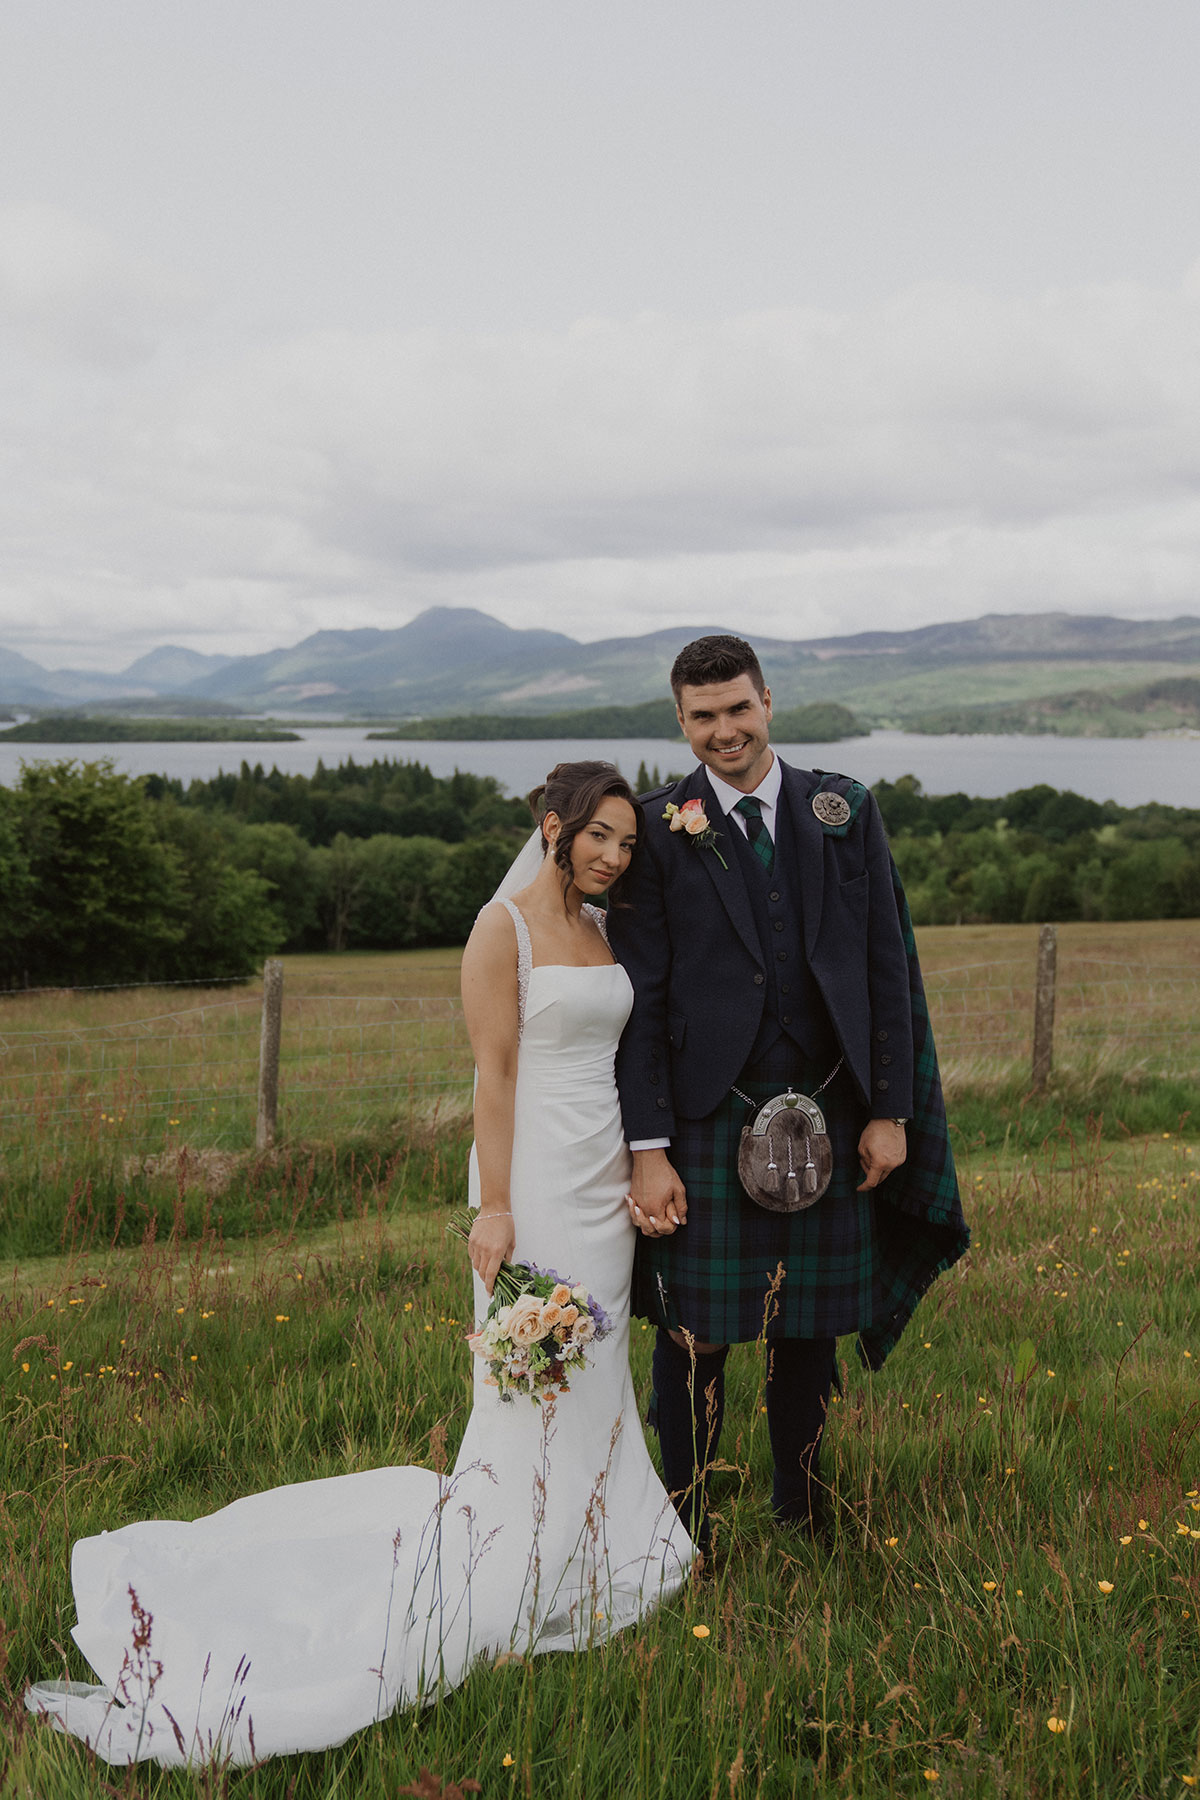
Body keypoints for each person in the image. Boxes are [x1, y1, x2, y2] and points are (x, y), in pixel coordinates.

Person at [26, 761, 692, 1768]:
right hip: (537, 1177)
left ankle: (602, 1539)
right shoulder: (498, 929)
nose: (611, 854)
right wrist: (498, 1208)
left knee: (597, 1366)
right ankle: (515, 1561)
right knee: (533, 1374)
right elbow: (496, 1073)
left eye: (626, 842)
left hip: (605, 1180)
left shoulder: (606, 930)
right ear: (550, 825)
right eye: (597, 834)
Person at [608, 636, 968, 1549]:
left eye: (738, 709)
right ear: (680, 722)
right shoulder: (657, 826)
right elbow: (641, 1000)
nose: (723, 732)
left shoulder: (843, 809)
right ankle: (680, 1518)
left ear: (767, 699)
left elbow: (887, 965)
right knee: (693, 1332)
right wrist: (647, 1151)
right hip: (702, 1113)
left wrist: (890, 1112)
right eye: (702, 717)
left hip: (833, 1105)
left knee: (805, 1327)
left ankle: (800, 1511)